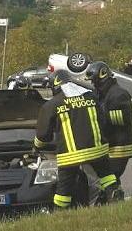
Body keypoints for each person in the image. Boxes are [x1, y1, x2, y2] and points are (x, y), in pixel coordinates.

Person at [33, 70, 123, 209]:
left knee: (63, 189)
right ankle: (115, 197)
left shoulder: (52, 105)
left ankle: (60, 213)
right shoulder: (90, 97)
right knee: (106, 175)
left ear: (54, 85)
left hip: (70, 156)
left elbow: (43, 135)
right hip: (97, 150)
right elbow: (103, 120)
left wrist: (36, 147)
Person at [85, 61, 132, 180]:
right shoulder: (102, 92)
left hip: (121, 145)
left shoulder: (118, 94)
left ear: (102, 77)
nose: (92, 84)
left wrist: (94, 120)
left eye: (94, 81)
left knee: (111, 176)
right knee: (108, 177)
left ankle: (115, 196)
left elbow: (117, 121)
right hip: (112, 143)